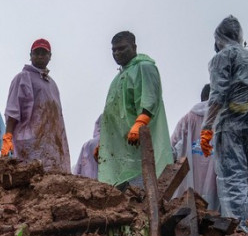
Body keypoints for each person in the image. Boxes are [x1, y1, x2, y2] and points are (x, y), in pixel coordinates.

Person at [200, 16, 248, 228]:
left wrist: (207, 126)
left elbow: (217, 94)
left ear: (219, 39)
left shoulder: (223, 57)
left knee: (233, 180)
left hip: (230, 126)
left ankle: (240, 232)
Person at [97, 31, 172, 186]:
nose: (117, 53)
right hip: (122, 151)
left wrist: (140, 122)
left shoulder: (144, 67)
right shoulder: (118, 78)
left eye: (122, 48)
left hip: (139, 148)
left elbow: (150, 98)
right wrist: (106, 145)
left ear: (134, 47)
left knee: (140, 192)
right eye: (114, 50)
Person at [1, 39, 70, 173]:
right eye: (36, 52)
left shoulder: (52, 84)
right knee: (31, 178)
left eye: (43, 53)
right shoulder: (23, 77)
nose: (39, 55)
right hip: (29, 143)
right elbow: (13, 110)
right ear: (30, 55)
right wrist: (8, 137)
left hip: (52, 145)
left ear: (50, 56)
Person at [171, 85, 218, 209]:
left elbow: (172, 147)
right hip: (214, 186)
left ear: (202, 98)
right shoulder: (223, 120)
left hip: (189, 183)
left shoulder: (187, 118)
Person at [73, 115, 101, 180]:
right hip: (108, 185)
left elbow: (77, 169)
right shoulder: (114, 143)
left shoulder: (88, 144)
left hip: (88, 184)